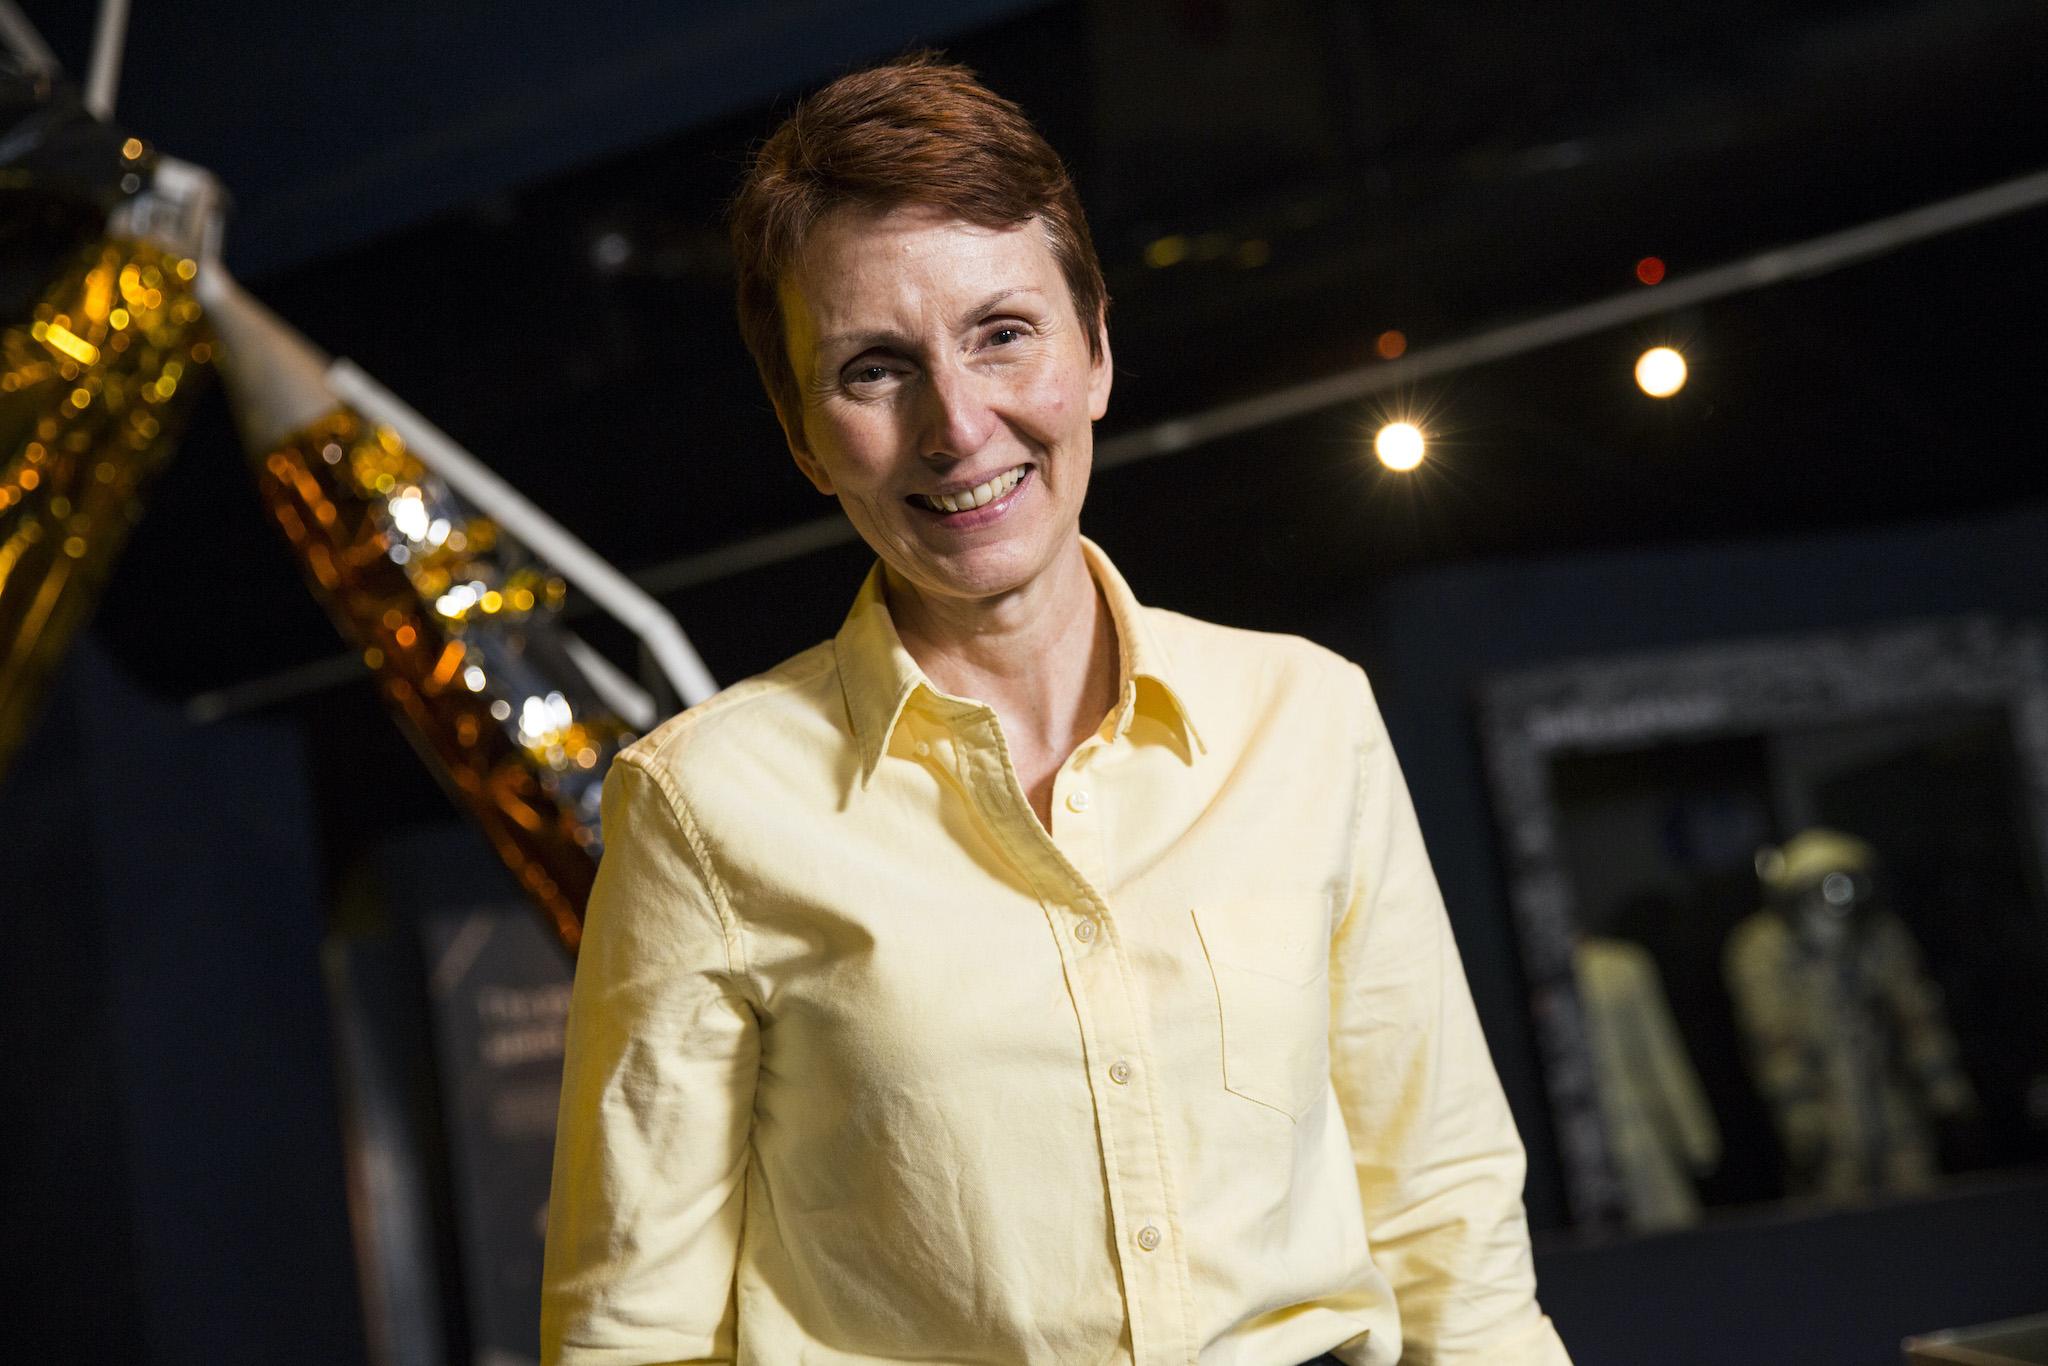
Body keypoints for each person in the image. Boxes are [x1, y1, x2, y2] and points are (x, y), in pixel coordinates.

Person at [541, 53, 1570, 1366]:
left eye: (1002, 333)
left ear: (1093, 352)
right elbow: (633, 1333)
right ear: (804, 435)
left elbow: (1452, 1234)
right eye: (873, 368)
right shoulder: (705, 805)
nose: (959, 425)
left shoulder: (1307, 716)